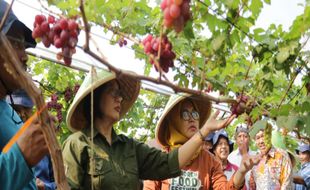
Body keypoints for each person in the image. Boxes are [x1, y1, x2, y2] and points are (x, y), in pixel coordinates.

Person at [62, 69, 239, 189]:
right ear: (95, 96)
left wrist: (204, 131)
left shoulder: (130, 147)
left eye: (121, 94)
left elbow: (170, 163)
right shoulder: (77, 144)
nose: (119, 99)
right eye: (113, 92)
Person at [143, 94, 260, 190]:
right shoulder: (160, 159)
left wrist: (241, 172)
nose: (191, 118)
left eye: (195, 114)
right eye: (184, 114)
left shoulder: (210, 161)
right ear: (173, 121)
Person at [0, 1, 49, 189]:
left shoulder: (6, 109)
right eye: (15, 44)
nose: (25, 56)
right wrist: (21, 156)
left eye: (23, 46)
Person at [6, 89, 56, 190]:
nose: (22, 114)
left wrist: (45, 187)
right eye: (16, 109)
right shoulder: (4, 140)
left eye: (26, 109)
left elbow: (58, 183)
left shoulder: (43, 142)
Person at [249, 122, 293, 190]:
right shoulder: (255, 160)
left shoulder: (281, 155)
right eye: (257, 138)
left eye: (263, 136)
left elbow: (287, 183)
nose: (261, 141)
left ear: (269, 136)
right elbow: (252, 186)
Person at [228, 125, 256, 189]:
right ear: (236, 139)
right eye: (239, 136)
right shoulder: (230, 157)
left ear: (249, 139)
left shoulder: (255, 155)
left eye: (245, 136)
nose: (242, 139)